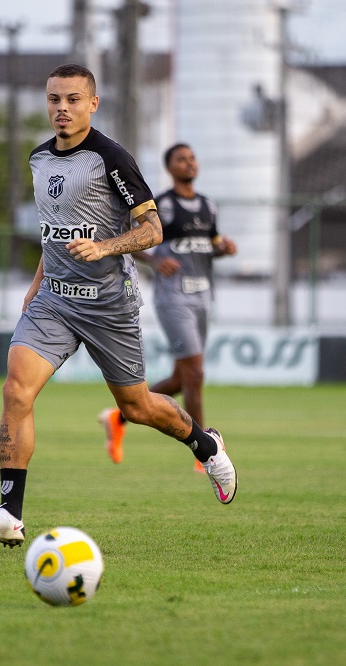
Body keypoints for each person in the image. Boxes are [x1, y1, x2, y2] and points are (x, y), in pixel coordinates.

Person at [0, 64, 237, 548]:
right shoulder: (39, 158)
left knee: (136, 406)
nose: (61, 109)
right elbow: (56, 231)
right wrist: (37, 280)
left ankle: (204, 443)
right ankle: (9, 512)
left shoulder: (111, 158)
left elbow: (153, 231)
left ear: (93, 103)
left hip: (109, 303)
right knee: (16, 391)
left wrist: (107, 247)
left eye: (72, 99)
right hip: (54, 300)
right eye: (53, 100)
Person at [98, 143, 237, 471]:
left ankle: (117, 418)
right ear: (170, 167)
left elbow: (210, 244)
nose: (189, 163)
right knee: (196, 372)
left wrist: (225, 248)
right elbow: (133, 239)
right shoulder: (162, 205)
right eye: (181, 159)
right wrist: (155, 259)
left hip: (203, 297)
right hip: (174, 299)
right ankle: (206, 452)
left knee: (181, 377)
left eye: (192, 157)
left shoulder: (208, 205)